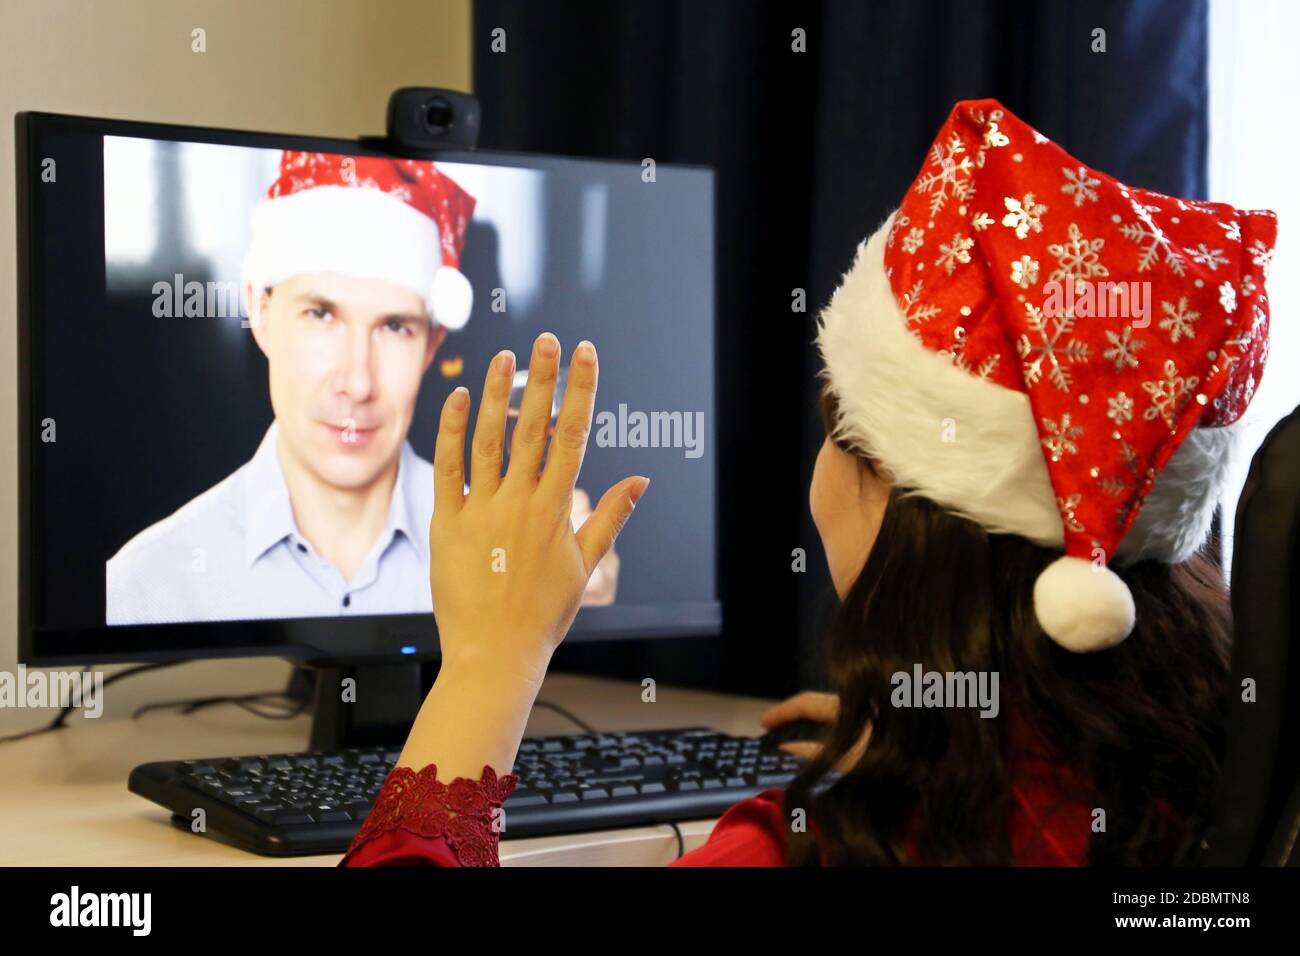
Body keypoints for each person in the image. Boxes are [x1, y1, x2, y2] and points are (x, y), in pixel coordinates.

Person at [338, 99, 1277, 867]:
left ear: (898, 491)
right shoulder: (1226, 777)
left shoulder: (815, 850)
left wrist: (489, 665)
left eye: (835, 431)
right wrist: (936, 724)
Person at [106, 151, 616, 625]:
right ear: (258, 311)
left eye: (395, 327)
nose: (357, 382)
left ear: (433, 342)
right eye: (321, 314)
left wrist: (560, 613)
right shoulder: (147, 581)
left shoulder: (510, 557)